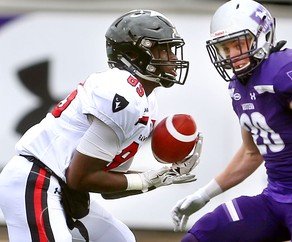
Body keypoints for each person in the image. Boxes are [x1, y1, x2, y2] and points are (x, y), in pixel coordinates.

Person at [0, 9, 202, 242]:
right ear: (134, 55)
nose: (173, 57)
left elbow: (108, 183)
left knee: (120, 238)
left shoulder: (146, 101)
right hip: (36, 180)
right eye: (162, 49)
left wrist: (161, 177)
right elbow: (81, 177)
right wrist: (146, 179)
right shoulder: (123, 92)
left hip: (61, 186)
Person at [171, 0, 292, 241]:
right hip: (273, 199)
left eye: (239, 44)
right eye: (226, 48)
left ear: (262, 36)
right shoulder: (238, 85)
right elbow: (251, 153)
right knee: (201, 235)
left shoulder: (281, 71)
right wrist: (205, 194)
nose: (233, 55)